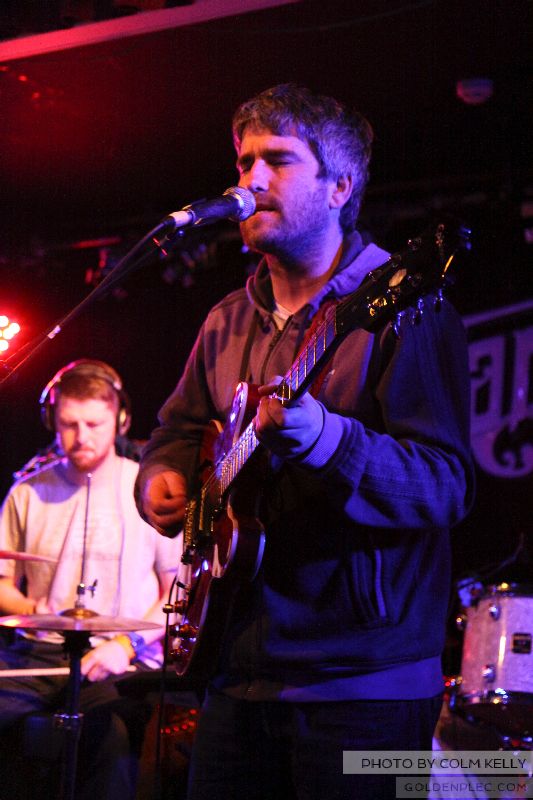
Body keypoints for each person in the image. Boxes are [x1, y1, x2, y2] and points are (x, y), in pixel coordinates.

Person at [135, 84, 475, 800]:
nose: (250, 180)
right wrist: (161, 480)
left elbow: (445, 486)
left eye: (277, 160)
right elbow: (174, 432)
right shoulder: (227, 319)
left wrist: (328, 440)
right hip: (234, 671)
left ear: (339, 185)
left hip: (365, 693)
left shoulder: (405, 305)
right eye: (244, 159)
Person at [0, 359, 182, 799]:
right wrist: (30, 610)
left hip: (117, 661)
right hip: (40, 655)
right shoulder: (27, 492)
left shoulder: (149, 489)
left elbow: (175, 590)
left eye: (94, 423)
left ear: (120, 419)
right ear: (51, 419)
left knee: (111, 739)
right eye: (69, 424)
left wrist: (128, 645)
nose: (81, 437)